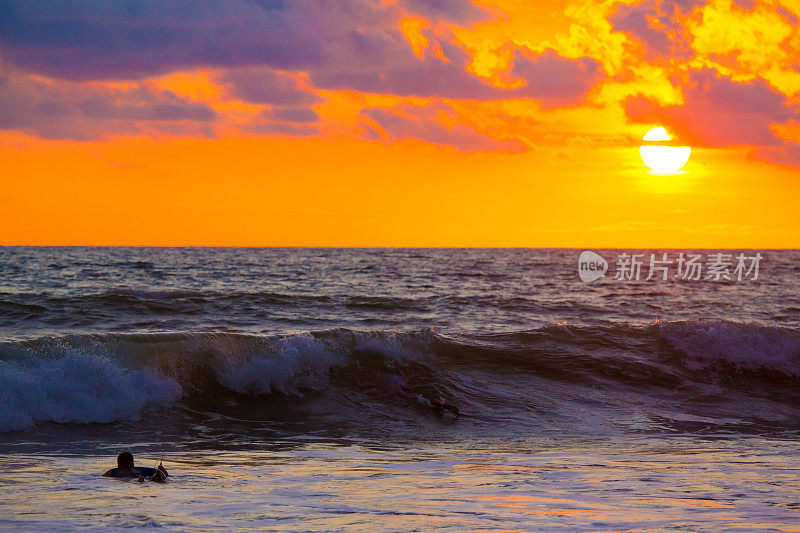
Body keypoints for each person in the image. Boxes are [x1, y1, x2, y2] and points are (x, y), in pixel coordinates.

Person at [102, 452, 169, 483]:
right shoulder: (139, 470)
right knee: (156, 476)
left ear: (118, 464)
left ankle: (140, 481)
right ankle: (156, 477)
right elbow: (156, 471)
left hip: (123, 476)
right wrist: (161, 471)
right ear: (132, 464)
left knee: (132, 480)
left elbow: (102, 477)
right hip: (137, 475)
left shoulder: (114, 472)